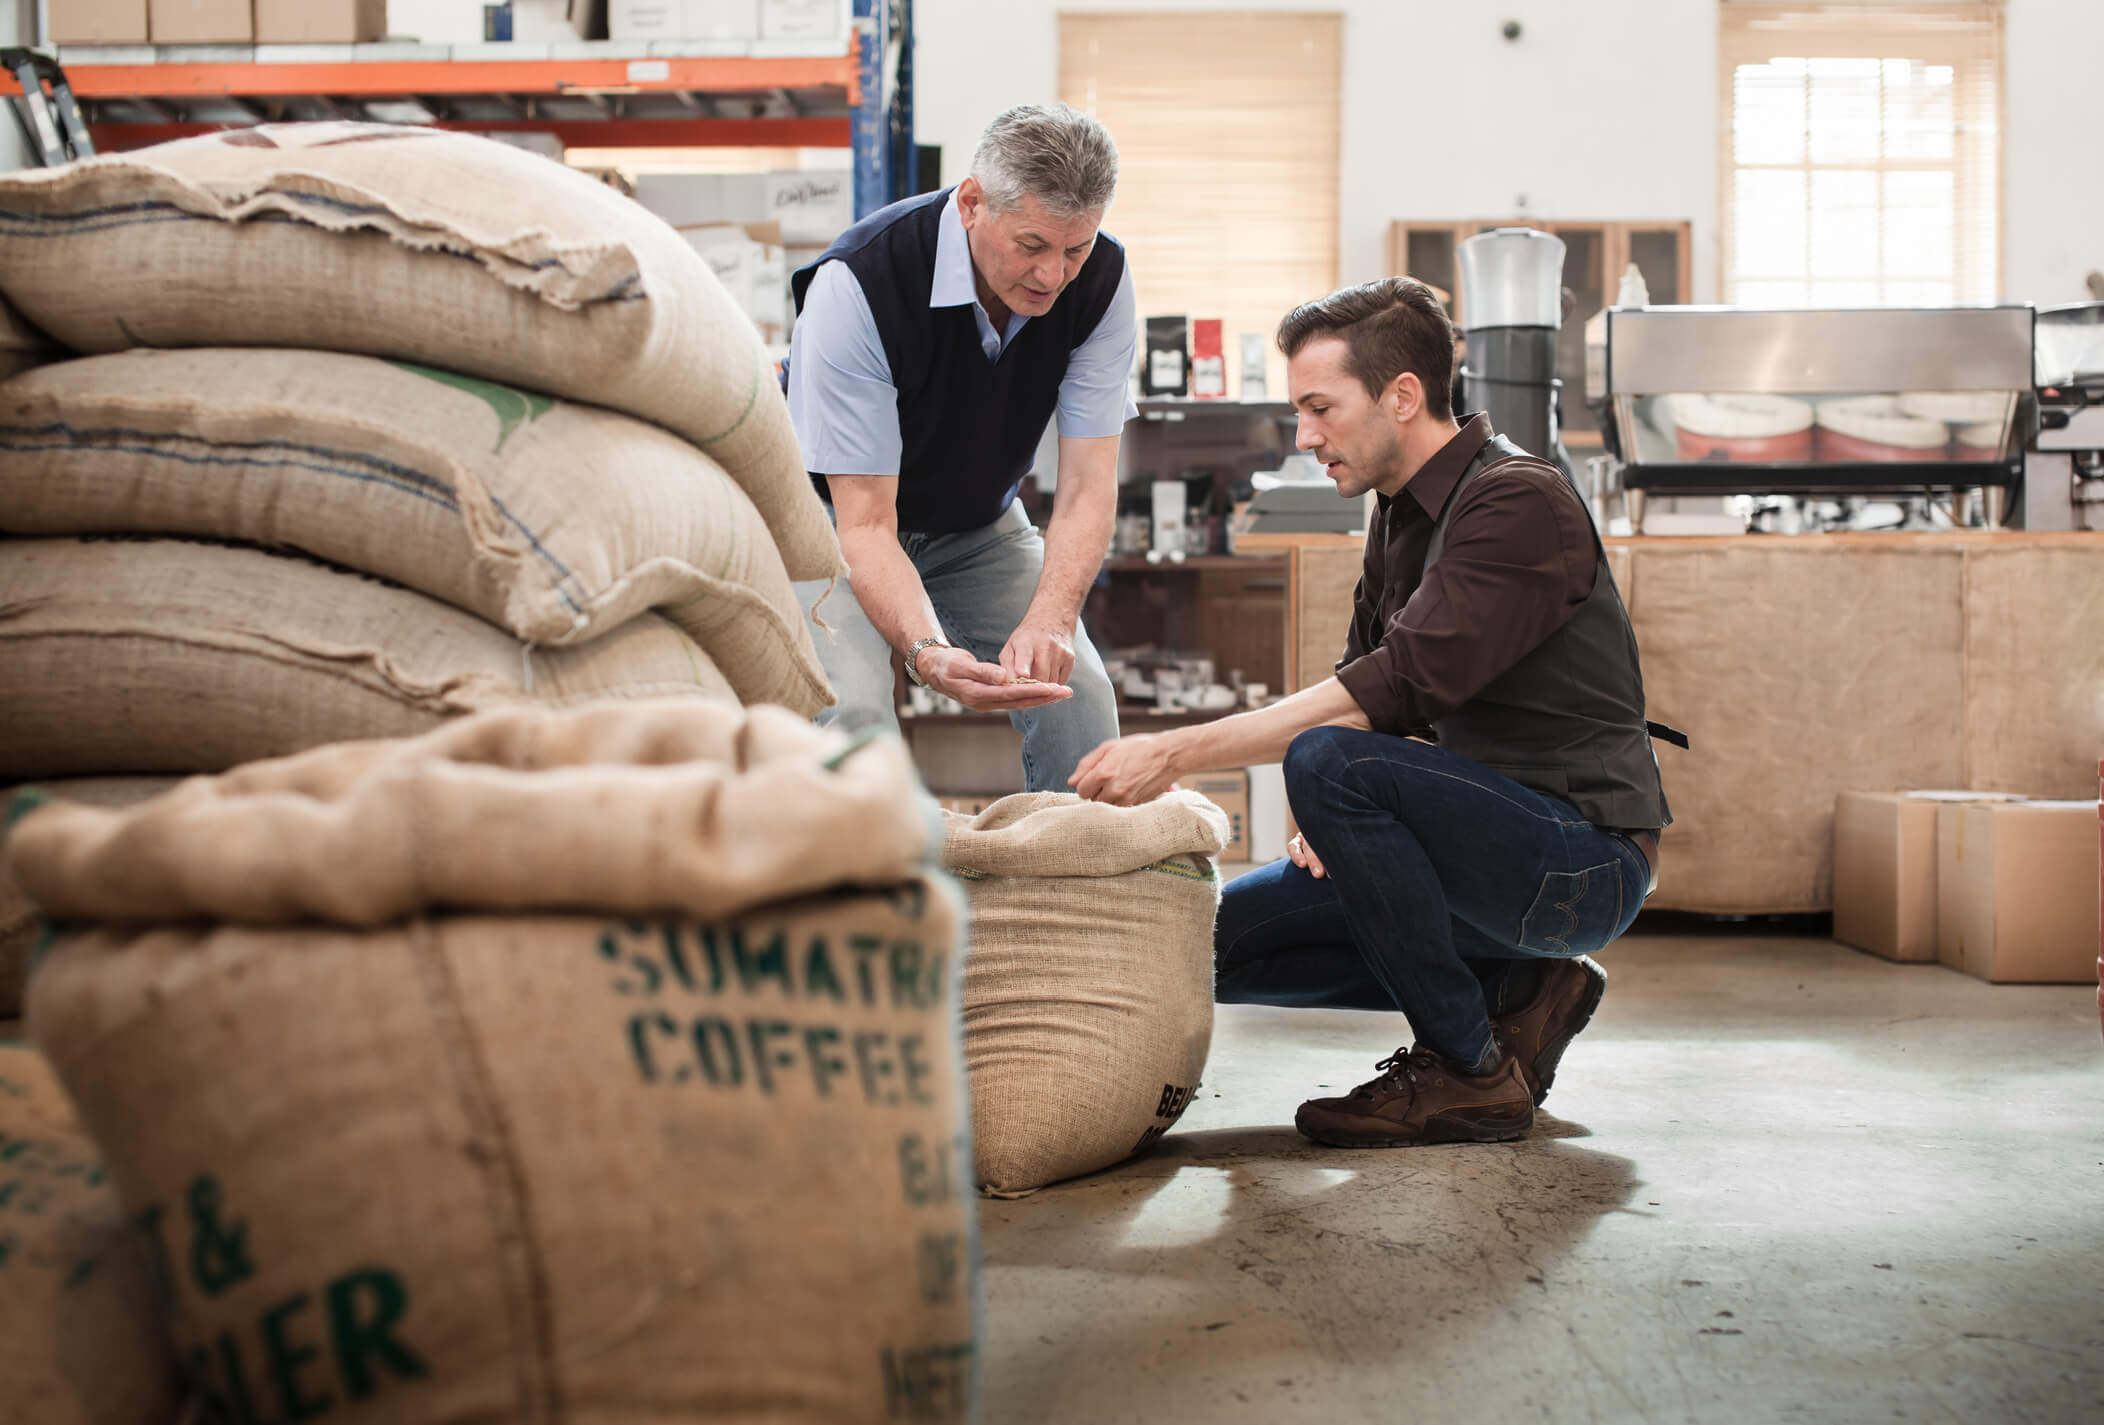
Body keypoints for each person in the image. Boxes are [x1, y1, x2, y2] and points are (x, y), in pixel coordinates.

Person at [1072, 276, 1681, 1149]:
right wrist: (1342, 826)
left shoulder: (1516, 501)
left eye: (1320, 407)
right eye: (1298, 412)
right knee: (1210, 944)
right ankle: (1520, 991)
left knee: (1324, 760)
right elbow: (1371, 692)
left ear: (1403, 395)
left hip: (1582, 863)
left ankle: (1468, 1067)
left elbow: (1390, 687)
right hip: (1482, 846)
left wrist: (1174, 754)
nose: (1304, 435)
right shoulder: (1398, 514)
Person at [783, 103, 1137, 792]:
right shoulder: (859, 283)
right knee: (853, 714)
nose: (1054, 275)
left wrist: (1052, 620)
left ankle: (1072, 888)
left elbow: (1090, 483)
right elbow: (865, 524)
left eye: (1076, 248)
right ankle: (873, 891)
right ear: (972, 203)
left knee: (1081, 698)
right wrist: (927, 650)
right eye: (1032, 245)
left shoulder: (1102, 281)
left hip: (978, 525)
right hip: (834, 522)